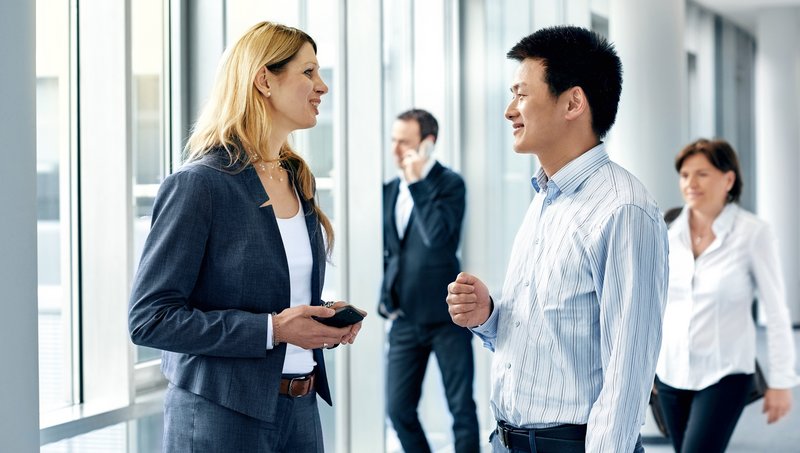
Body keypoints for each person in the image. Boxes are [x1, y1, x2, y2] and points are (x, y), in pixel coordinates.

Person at [128, 22, 365, 453]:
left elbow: (271, 291)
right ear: (264, 80)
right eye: (308, 72)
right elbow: (150, 319)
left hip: (301, 410)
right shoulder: (200, 184)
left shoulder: (296, 179)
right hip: (221, 415)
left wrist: (320, 319)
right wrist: (273, 329)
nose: (323, 86)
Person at [445, 26, 668, 453]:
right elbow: (546, 333)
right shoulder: (546, 198)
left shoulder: (623, 209)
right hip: (508, 441)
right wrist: (488, 316)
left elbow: (628, 372)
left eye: (522, 94)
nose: (510, 110)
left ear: (573, 102)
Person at [654, 138, 799, 453]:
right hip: (669, 373)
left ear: (728, 179)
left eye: (702, 174)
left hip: (724, 374)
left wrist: (781, 380)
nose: (691, 183)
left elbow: (776, 312)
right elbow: (655, 307)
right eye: (685, 174)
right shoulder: (667, 230)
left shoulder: (752, 234)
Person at [379, 108, 480, 453]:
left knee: (461, 409)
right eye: (393, 141)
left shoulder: (449, 184)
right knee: (398, 409)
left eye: (404, 143)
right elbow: (392, 251)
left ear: (427, 144)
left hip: (448, 318)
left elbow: (438, 238)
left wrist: (418, 183)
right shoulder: (389, 190)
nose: (395, 150)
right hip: (405, 319)